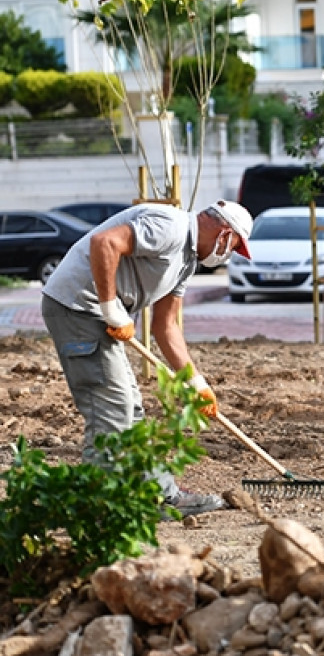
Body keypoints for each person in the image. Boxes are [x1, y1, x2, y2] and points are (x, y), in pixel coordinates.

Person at [41, 199, 254, 518]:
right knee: (111, 406)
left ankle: (160, 497)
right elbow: (105, 242)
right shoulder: (170, 226)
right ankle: (95, 509)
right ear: (225, 233)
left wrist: (195, 383)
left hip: (94, 314)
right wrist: (111, 306)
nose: (228, 254)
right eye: (234, 247)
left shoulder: (186, 260)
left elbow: (165, 326)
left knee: (132, 406)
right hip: (76, 308)